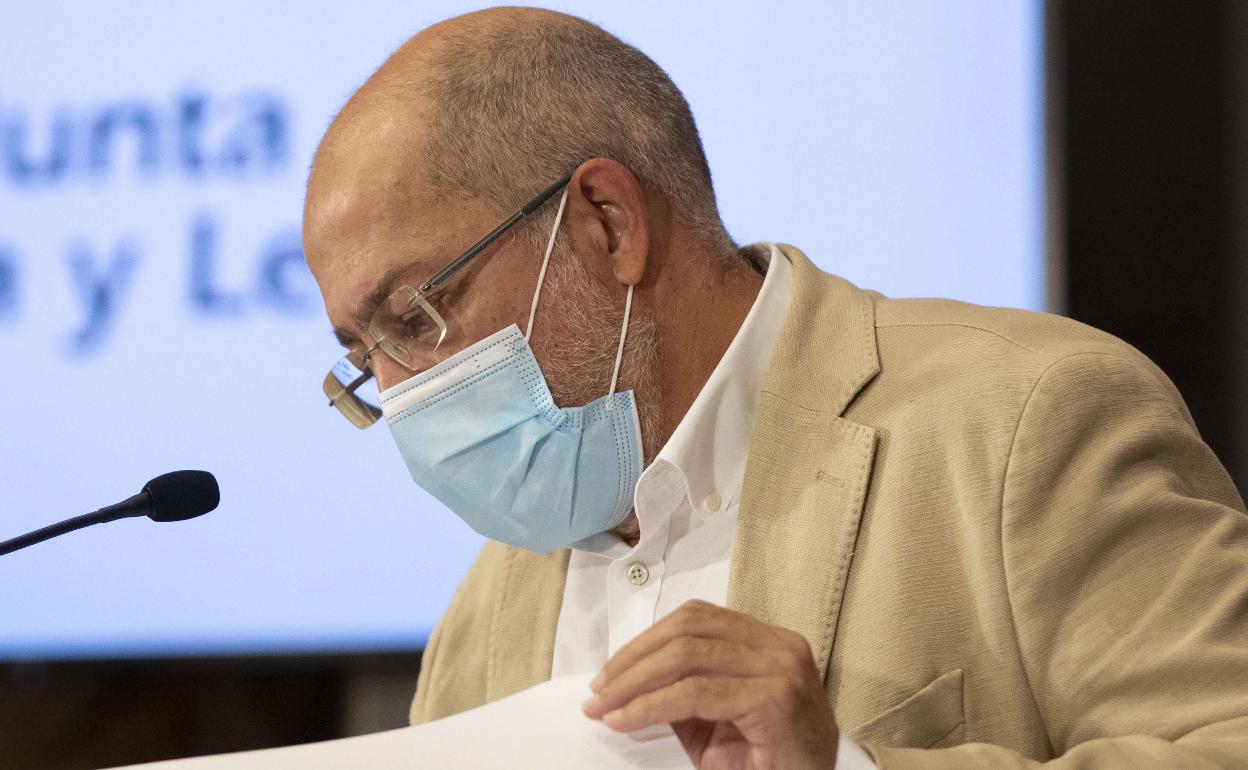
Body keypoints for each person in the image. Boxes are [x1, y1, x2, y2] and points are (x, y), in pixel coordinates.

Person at [302, 7, 1248, 769]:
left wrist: (846, 769)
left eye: (418, 315)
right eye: (365, 355)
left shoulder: (1029, 417)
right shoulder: (484, 614)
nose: (403, 392)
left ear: (604, 225)